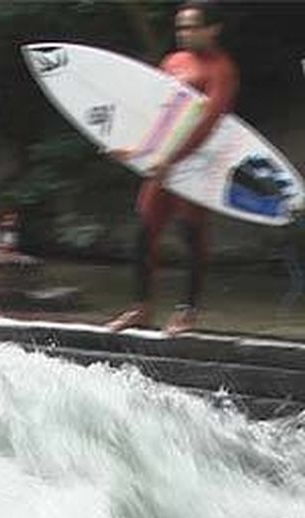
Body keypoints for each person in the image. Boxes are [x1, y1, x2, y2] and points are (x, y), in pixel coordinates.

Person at [106, 1, 238, 335]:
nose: (184, 33)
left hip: (196, 163)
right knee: (143, 232)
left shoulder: (222, 70)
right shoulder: (173, 62)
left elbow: (206, 124)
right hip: (162, 161)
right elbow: (158, 114)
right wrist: (136, 150)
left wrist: (170, 160)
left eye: (192, 26)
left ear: (213, 29)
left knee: (191, 235)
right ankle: (141, 308)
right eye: (181, 26)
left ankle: (187, 313)